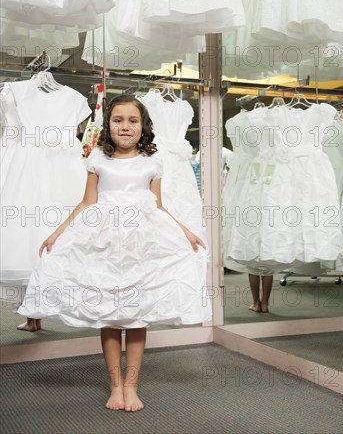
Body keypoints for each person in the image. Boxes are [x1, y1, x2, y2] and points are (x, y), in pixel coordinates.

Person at [18, 95, 210, 412]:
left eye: (132, 121)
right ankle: (115, 385)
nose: (125, 126)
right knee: (108, 314)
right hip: (103, 241)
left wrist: (184, 230)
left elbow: (159, 206)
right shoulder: (96, 159)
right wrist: (57, 232)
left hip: (141, 242)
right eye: (118, 120)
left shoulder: (153, 162)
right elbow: (86, 203)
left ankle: (132, 386)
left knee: (136, 315)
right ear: (108, 125)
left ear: (143, 126)